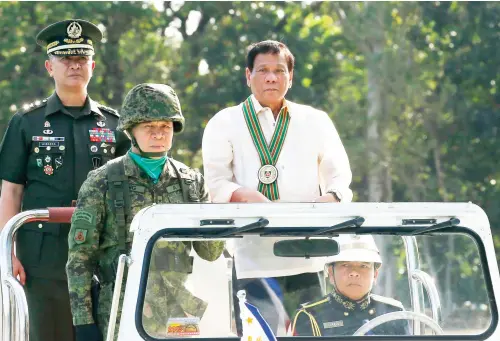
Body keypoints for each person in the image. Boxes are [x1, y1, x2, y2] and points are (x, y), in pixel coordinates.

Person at [201, 40, 353, 331]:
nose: (272, 77)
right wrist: (245, 195)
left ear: (291, 77)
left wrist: (331, 198)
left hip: (309, 257)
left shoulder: (315, 121)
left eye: (279, 70)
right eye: (263, 70)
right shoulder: (224, 122)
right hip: (252, 259)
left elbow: (340, 179)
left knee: (313, 335)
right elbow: (215, 184)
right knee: (258, 336)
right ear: (248, 76)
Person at [0, 19, 129, 341]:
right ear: (49, 66)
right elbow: (11, 191)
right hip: (42, 257)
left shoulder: (115, 125)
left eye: (82, 58)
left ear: (93, 66)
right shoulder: (26, 122)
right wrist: (7, 253)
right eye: (66, 59)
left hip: (102, 254)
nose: (75, 65)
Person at [66, 83, 225, 341]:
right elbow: (80, 260)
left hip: (178, 309)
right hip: (122, 307)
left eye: (165, 126)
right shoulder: (102, 182)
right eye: (148, 127)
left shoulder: (191, 181)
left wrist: (211, 217)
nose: (158, 134)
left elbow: (210, 253)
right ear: (131, 131)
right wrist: (84, 323)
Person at [292, 235, 410, 336]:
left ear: (375, 274)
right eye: (345, 265)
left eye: (363, 266)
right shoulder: (310, 315)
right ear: (331, 273)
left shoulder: (394, 312)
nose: (354, 272)